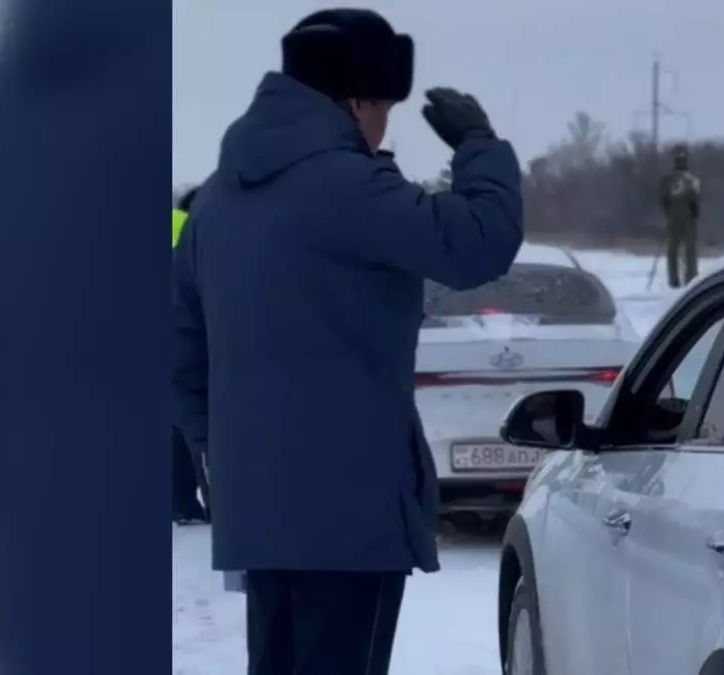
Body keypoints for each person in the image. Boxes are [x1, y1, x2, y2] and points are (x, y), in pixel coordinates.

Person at [172, 8, 523, 675]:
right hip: (350, 510)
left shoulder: (215, 202)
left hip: (259, 513)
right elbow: (479, 242)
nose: (384, 124)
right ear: (357, 100)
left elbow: (177, 349)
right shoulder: (350, 189)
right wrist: (478, 145)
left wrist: (215, 445)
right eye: (385, 107)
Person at [171, 188, 209, 525]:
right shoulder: (195, 232)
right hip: (185, 334)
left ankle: (181, 502)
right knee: (195, 425)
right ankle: (210, 502)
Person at [658, 144, 702, 288]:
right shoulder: (692, 179)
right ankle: (691, 278)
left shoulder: (667, 179)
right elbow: (695, 200)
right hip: (688, 216)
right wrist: (695, 212)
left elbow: (663, 199)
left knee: (672, 249)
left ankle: (673, 279)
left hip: (672, 216)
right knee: (689, 250)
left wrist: (667, 213)